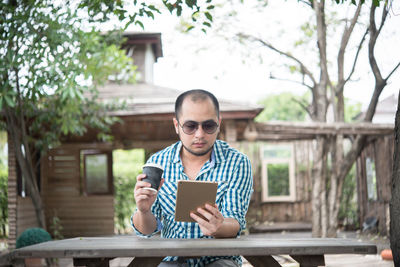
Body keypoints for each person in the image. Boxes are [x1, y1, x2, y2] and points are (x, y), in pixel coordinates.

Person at [131, 89, 253, 267]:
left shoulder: (237, 162)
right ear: (176, 125)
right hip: (171, 260)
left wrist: (219, 226)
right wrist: (143, 211)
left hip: (219, 259)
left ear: (219, 124)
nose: (200, 134)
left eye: (208, 126)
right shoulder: (157, 162)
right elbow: (147, 231)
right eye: (190, 126)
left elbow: (235, 222)